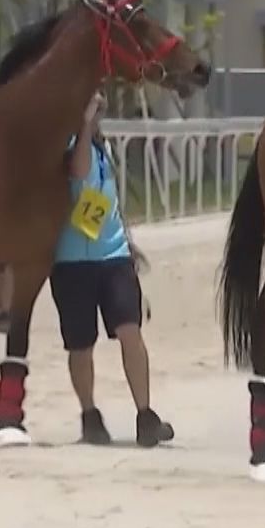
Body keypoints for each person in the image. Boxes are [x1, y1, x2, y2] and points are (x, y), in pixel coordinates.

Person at [52, 90, 174, 448]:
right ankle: (89, 414)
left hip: (113, 256)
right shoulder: (71, 144)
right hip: (72, 261)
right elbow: (78, 172)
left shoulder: (102, 149)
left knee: (130, 332)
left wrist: (131, 247)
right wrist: (85, 125)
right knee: (80, 344)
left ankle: (145, 414)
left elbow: (105, 201)